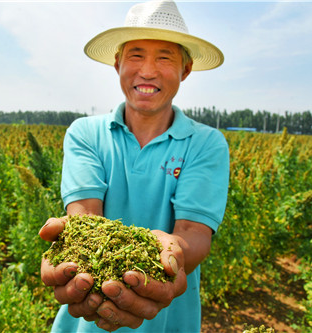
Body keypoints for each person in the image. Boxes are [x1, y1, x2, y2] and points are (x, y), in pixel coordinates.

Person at [39, 0, 229, 331]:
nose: (148, 70)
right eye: (136, 55)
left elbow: (194, 233)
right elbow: (84, 218)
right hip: (88, 317)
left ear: (185, 70)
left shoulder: (206, 144)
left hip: (167, 317)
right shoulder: (86, 134)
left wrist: (172, 255)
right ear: (117, 64)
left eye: (165, 57)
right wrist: (80, 256)